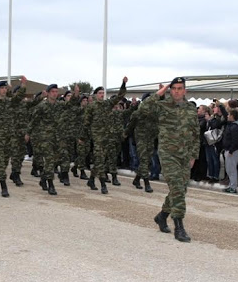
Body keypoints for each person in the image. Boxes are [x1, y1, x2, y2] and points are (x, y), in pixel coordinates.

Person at [139, 77, 199, 243]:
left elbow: (195, 134)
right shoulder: (162, 105)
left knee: (180, 189)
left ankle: (162, 216)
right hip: (168, 154)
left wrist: (194, 155)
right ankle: (179, 226)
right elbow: (143, 109)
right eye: (174, 88)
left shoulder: (191, 109)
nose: (177, 91)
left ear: (185, 90)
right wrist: (159, 93)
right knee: (178, 188)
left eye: (180, 88)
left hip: (185, 155)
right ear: (170, 90)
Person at [80, 78, 128, 194]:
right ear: (96, 95)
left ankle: (91, 180)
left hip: (107, 137)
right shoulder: (91, 107)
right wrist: (82, 137)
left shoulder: (107, 104)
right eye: (100, 93)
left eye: (103, 93)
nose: (102, 95)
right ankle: (102, 183)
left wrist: (123, 84)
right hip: (97, 137)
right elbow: (86, 122)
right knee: (100, 159)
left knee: (99, 160)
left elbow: (119, 96)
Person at [0, 77, 27, 197]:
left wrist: (22, 86)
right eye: (1, 88)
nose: (4, 90)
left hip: (9, 137)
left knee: (5, 161)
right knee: (0, 162)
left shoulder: (10, 102)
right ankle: (4, 186)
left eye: (5, 88)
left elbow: (18, 97)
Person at [124, 93, 158, 192]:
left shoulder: (154, 114)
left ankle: (136, 179)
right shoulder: (137, 113)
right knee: (143, 160)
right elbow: (130, 126)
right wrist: (124, 135)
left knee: (147, 162)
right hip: (141, 140)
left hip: (150, 139)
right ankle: (147, 183)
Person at [221, 109, 238, 194]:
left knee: (232, 169)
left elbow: (235, 140)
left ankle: (233, 186)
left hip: (232, 151)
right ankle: (231, 184)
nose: (227, 116)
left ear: (233, 116)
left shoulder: (235, 127)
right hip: (228, 149)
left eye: (229, 115)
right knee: (229, 169)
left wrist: (231, 150)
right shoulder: (230, 125)